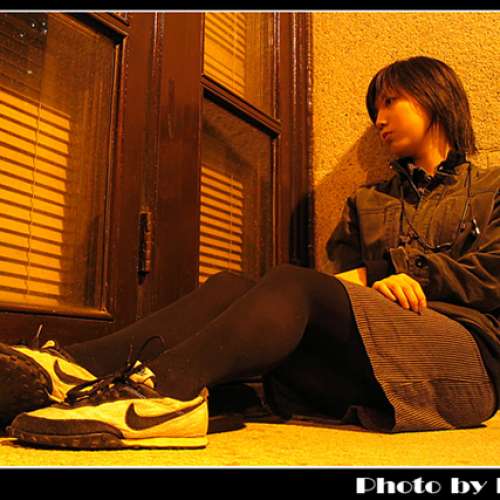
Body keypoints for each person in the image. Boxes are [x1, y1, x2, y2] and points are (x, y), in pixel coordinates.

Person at [0, 56, 498, 450]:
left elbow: (492, 278)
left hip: (462, 359)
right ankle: (69, 368)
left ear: (435, 96)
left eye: (390, 102)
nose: (380, 120)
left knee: (292, 281)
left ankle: (165, 392)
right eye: (375, 110)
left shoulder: (492, 187)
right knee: (230, 284)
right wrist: (372, 282)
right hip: (370, 360)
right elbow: (341, 286)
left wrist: (399, 273)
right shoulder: (367, 201)